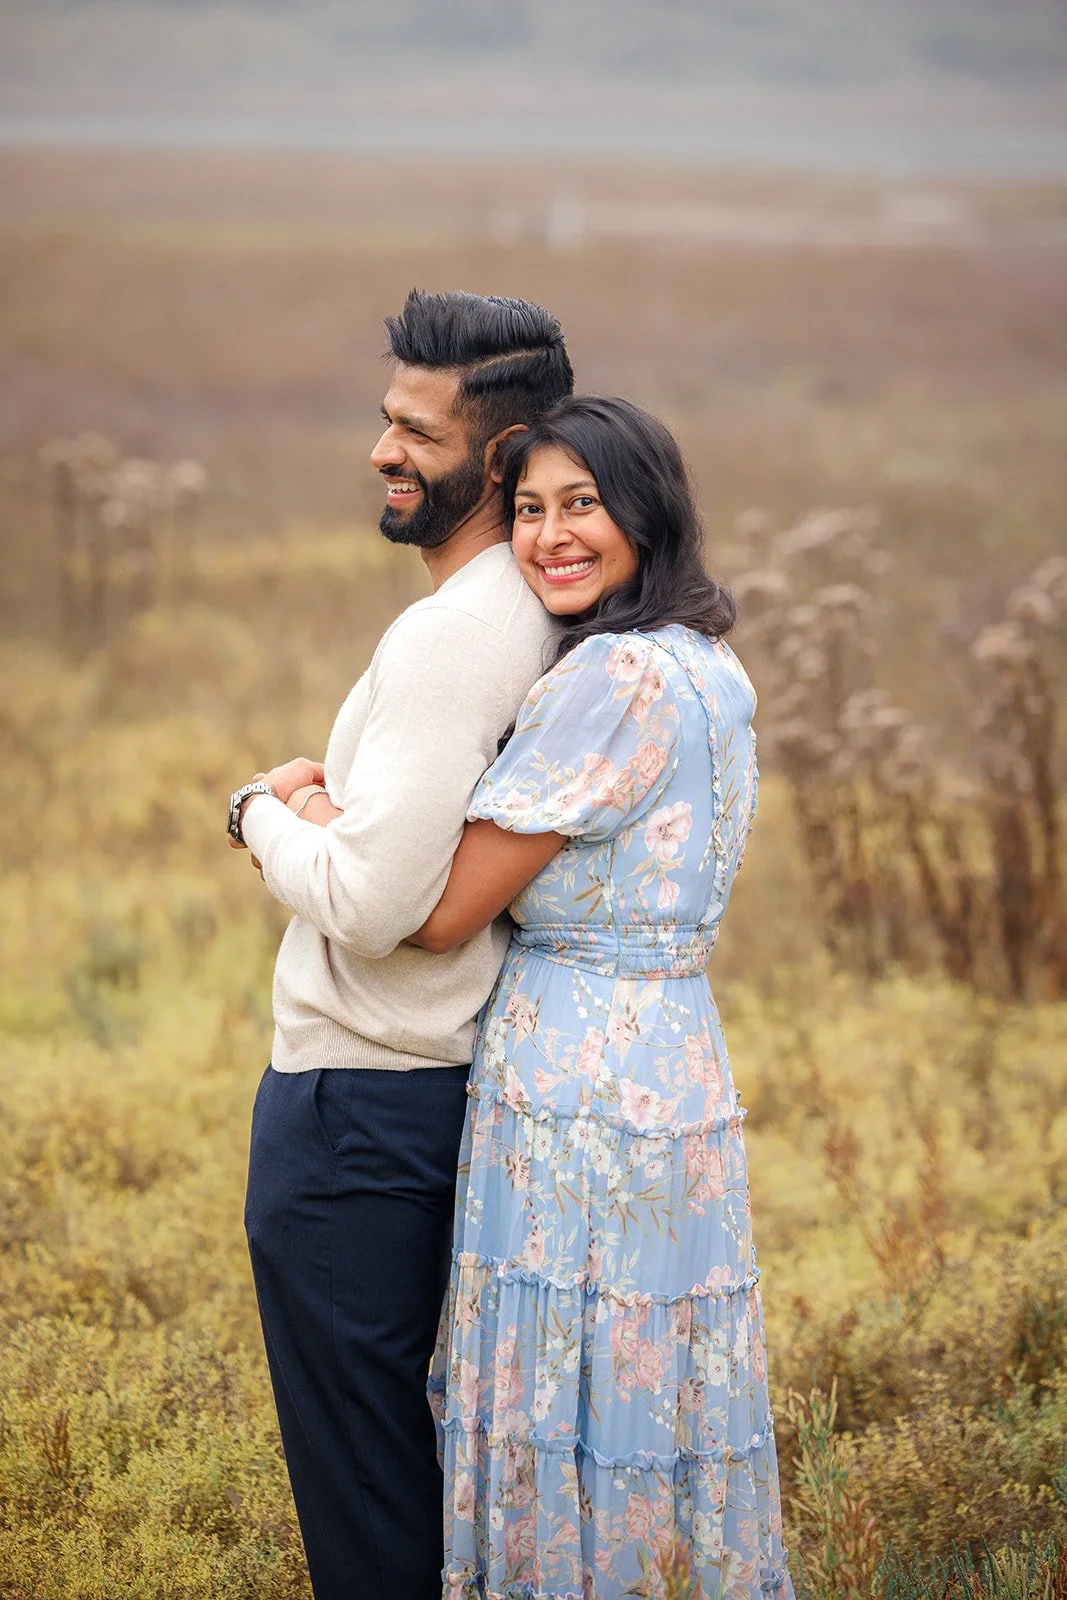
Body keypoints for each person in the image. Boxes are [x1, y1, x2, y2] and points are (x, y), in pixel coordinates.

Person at [408, 396, 794, 1598]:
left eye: (581, 503)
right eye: (527, 510)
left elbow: (439, 910)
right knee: (649, 1373)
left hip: (575, 1074)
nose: (548, 536)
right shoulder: (705, 660)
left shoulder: (612, 674)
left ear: (646, 510)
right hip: (673, 1052)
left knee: (566, 1376)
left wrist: (299, 812)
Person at [225, 290, 573, 1600]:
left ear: (499, 456)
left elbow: (375, 903)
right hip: (422, 1099)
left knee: (362, 1484)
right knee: (401, 1467)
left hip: (357, 1109)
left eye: (416, 434)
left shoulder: (456, 635)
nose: (382, 451)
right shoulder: (525, 611)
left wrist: (259, 811)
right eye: (386, 421)